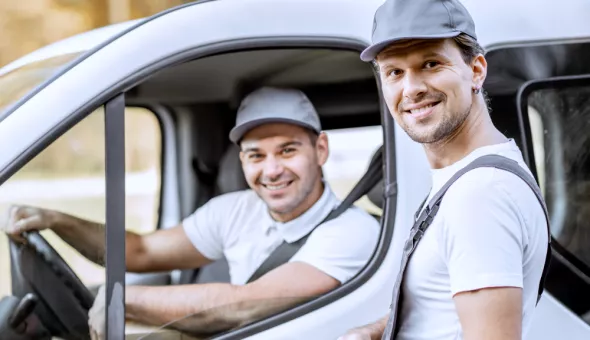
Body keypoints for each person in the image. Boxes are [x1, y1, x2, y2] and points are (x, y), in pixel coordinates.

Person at [2, 87, 380, 339]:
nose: (272, 170)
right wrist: (58, 221)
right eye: (255, 155)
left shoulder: (352, 231)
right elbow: (140, 252)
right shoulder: (234, 211)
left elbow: (242, 306)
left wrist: (127, 301)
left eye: (287, 150)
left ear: (321, 150)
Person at [339, 0, 549, 339]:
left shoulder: (480, 195)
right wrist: (372, 333)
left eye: (431, 63)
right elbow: (440, 312)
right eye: (394, 72)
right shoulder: (467, 180)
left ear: (476, 70)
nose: (411, 89)